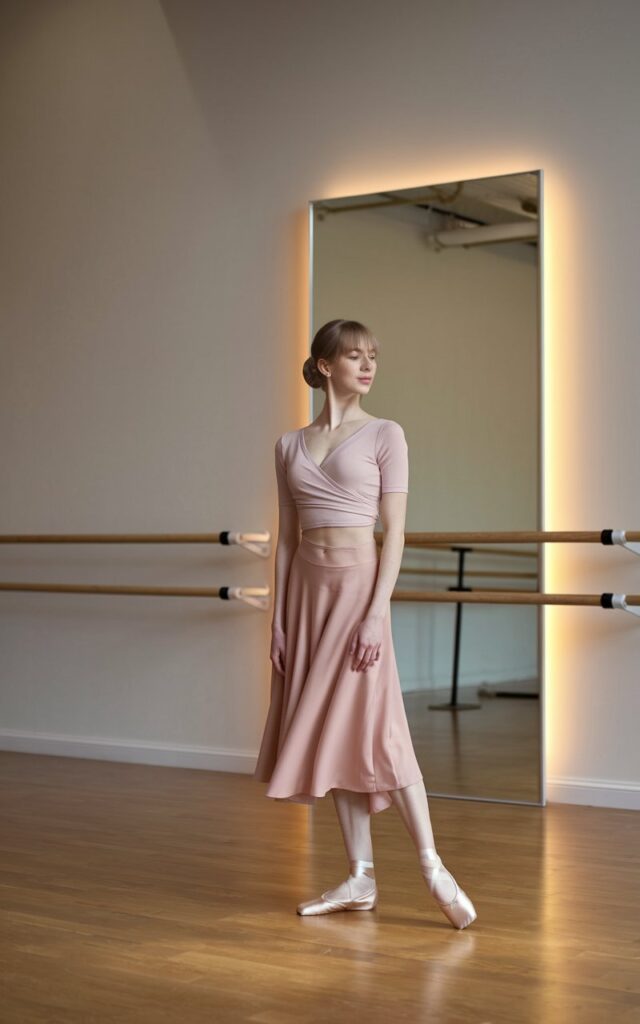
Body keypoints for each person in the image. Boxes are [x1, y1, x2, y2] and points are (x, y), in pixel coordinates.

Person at [253, 318, 476, 930]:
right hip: (306, 595)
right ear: (326, 366)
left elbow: (395, 532)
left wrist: (377, 612)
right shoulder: (288, 445)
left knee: (380, 732)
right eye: (355, 356)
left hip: (358, 592)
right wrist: (276, 620)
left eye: (372, 356)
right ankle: (360, 878)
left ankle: (432, 866)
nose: (368, 365)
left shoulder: (385, 434)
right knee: (336, 733)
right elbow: (285, 539)